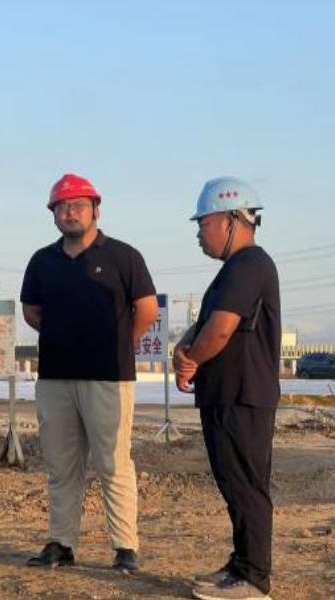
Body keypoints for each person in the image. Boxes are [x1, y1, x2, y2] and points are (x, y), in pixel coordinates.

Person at [20, 173, 159, 572]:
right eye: (62, 207)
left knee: (114, 463)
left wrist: (116, 344)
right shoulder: (42, 261)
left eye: (79, 205)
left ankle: (125, 547)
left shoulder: (124, 257)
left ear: (96, 209)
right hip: (56, 379)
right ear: (53, 214)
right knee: (61, 466)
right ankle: (61, 542)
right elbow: (32, 312)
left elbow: (146, 310)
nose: (70, 212)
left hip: (109, 378)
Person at [173, 177, 280, 600]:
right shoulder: (232, 272)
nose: (199, 233)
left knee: (246, 486)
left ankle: (254, 578)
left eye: (203, 223)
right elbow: (204, 326)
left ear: (230, 219)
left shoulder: (250, 264)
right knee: (233, 484)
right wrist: (185, 349)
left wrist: (192, 360)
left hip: (243, 395)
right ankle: (241, 564)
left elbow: (220, 329)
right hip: (225, 394)